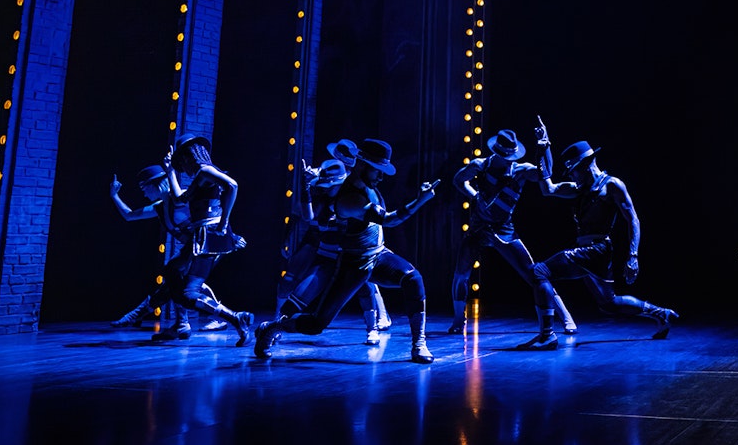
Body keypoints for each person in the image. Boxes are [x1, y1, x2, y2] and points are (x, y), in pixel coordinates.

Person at [254, 139, 440, 363]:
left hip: (378, 255)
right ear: (363, 165)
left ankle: (418, 343)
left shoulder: (368, 186)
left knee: (413, 278)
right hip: (353, 263)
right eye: (377, 171)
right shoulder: (348, 198)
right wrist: (421, 200)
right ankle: (272, 327)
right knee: (315, 324)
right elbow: (389, 220)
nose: (381, 177)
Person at [524, 124, 679, 349]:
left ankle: (547, 334)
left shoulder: (612, 186)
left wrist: (633, 255)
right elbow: (547, 188)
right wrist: (543, 147)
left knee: (539, 271)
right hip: (590, 253)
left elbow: (633, 219)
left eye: (574, 171)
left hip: (597, 250)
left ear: (585, 165)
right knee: (609, 303)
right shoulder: (578, 188)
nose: (572, 176)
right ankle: (661, 313)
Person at [449, 127, 577, 336]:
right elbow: (458, 180)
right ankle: (457, 320)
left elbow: (546, 174)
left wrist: (545, 146)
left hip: (504, 229)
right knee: (461, 274)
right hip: (479, 226)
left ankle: (566, 317)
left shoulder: (521, 171)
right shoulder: (480, 166)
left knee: (534, 274)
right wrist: (474, 196)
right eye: (505, 156)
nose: (509, 160)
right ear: (497, 154)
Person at [276, 141, 392, 344]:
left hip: (348, 257)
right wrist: (305, 186)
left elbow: (377, 220)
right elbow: (306, 216)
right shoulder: (321, 197)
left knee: (365, 288)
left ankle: (372, 327)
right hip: (326, 258)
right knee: (298, 296)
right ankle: (274, 327)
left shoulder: (352, 195)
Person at [157, 134, 255, 345]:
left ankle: (236, 319)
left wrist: (224, 223)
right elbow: (179, 198)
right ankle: (181, 324)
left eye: (181, 160)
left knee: (189, 293)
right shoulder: (201, 176)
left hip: (208, 236)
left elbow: (233, 186)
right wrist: (170, 171)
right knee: (173, 269)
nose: (182, 164)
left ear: (188, 156)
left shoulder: (205, 171)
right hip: (202, 235)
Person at [107, 164, 224, 335]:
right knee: (176, 280)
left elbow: (213, 210)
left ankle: (192, 320)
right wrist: (114, 196)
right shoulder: (160, 207)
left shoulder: (184, 198)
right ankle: (181, 320)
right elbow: (129, 215)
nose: (144, 194)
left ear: (156, 185)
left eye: (144, 188)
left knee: (180, 278)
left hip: (207, 245)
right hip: (192, 248)